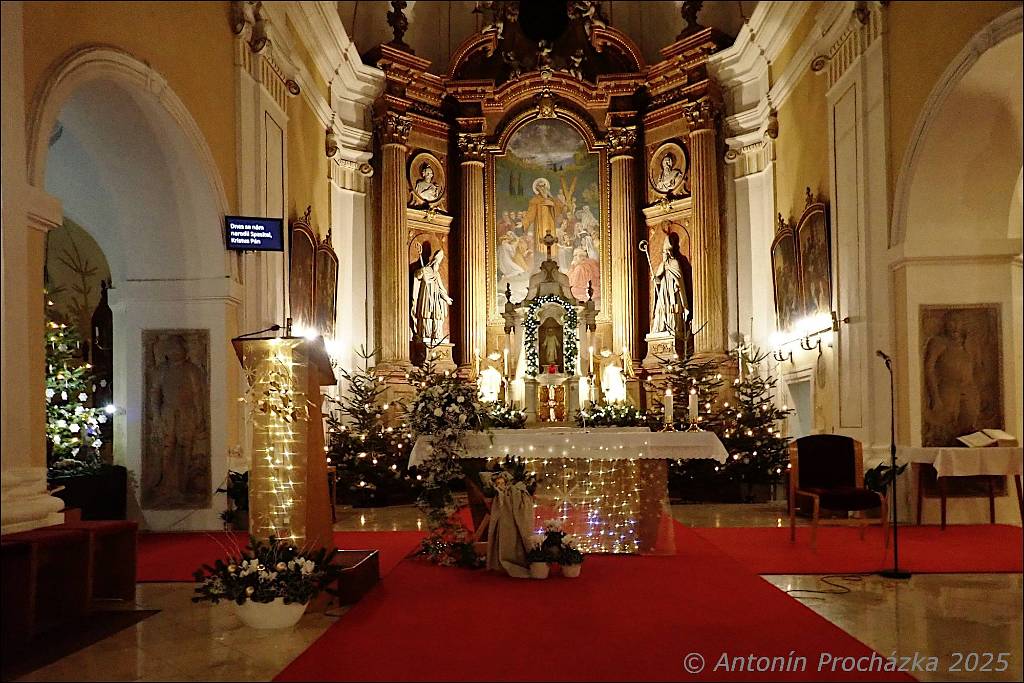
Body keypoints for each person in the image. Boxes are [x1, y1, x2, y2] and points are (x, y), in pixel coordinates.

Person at [147, 334, 206, 507]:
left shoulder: (191, 370)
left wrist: (200, 416)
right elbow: (154, 394)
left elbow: (197, 396)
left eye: (178, 348)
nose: (175, 351)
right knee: (167, 446)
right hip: (168, 412)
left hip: (187, 413)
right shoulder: (161, 370)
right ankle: (167, 484)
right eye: (172, 348)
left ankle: (182, 484)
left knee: (185, 445)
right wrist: (157, 416)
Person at [410, 250, 453, 343]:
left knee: (437, 316)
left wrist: (447, 298)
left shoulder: (436, 274)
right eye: (437, 261)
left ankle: (437, 335)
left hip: (436, 298)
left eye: (439, 262)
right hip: (426, 297)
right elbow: (417, 275)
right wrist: (421, 272)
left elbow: (441, 288)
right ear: (434, 261)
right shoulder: (426, 270)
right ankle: (426, 334)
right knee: (427, 315)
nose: (438, 264)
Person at [651, 241, 690, 336]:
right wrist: (655, 279)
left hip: (672, 290)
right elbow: (658, 279)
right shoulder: (662, 264)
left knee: (672, 308)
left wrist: (676, 282)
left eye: (664, 252)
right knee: (660, 307)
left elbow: (679, 276)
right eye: (662, 252)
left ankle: (673, 326)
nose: (663, 254)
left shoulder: (674, 262)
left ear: (668, 253)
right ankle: (660, 327)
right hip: (664, 291)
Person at [523, 178, 563, 262]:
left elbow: (560, 208)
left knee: (552, 242)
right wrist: (524, 222)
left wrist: (552, 204)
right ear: (537, 188)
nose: (542, 188)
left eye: (544, 186)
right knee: (541, 243)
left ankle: (553, 261)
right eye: (540, 186)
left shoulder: (552, 199)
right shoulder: (535, 200)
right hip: (540, 226)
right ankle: (542, 262)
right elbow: (530, 213)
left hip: (551, 224)